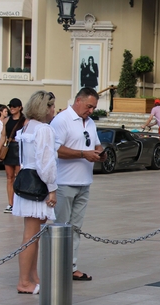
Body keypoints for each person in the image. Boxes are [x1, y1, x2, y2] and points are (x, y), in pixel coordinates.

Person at [50, 87, 106, 281]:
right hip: (64, 183)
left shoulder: (90, 122)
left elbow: (96, 144)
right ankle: (57, 266)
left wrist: (100, 153)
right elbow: (55, 149)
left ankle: (71, 266)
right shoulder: (62, 120)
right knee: (61, 227)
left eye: (94, 107)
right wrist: (83, 154)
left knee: (75, 228)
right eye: (89, 106)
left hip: (84, 182)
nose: (91, 111)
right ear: (78, 101)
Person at [13, 91, 58, 294]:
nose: (54, 110)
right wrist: (52, 190)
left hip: (25, 180)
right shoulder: (44, 129)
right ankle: (24, 281)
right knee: (31, 235)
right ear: (45, 108)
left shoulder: (26, 127)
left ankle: (32, 276)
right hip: (37, 184)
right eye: (52, 106)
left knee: (32, 235)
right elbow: (46, 163)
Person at [0, 98, 26, 213]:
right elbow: (3, 136)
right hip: (9, 149)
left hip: (19, 148)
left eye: (14, 106)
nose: (12, 108)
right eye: (11, 106)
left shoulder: (24, 121)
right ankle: (11, 203)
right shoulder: (7, 120)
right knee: (9, 177)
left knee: (19, 177)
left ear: (20, 107)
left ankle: (19, 202)